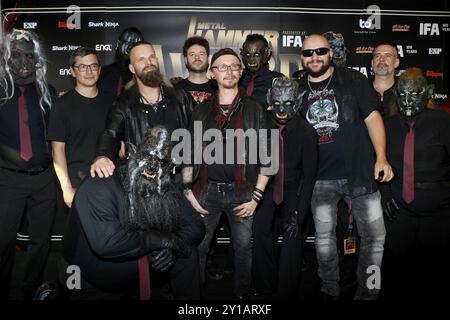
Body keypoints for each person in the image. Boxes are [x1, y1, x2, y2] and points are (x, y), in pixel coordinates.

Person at [297, 34, 393, 300]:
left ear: (330, 53)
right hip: (318, 180)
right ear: (302, 57)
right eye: (308, 53)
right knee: (324, 239)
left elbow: (373, 118)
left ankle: (369, 291)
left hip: (359, 173)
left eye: (320, 51)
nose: (314, 57)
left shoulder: (353, 80)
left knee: (375, 238)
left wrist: (381, 157)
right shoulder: (296, 87)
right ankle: (330, 288)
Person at [59, 126, 204, 299]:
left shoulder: (163, 184)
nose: (152, 167)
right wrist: (163, 241)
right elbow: (108, 243)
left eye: (161, 162)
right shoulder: (99, 186)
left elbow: (196, 224)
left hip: (132, 268)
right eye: (147, 156)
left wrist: (173, 247)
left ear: (169, 167)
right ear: (133, 153)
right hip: (85, 276)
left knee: (186, 253)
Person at [182, 48, 273, 299]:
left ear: (241, 72)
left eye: (234, 66)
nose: (229, 71)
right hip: (206, 191)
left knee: (243, 249)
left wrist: (256, 197)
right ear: (212, 73)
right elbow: (188, 153)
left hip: (243, 193)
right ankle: (194, 297)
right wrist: (188, 191)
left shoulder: (256, 108)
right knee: (198, 247)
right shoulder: (201, 111)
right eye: (222, 66)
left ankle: (242, 296)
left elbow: (270, 156)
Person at [380, 68, 450, 300]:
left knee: (433, 271)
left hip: (438, 211)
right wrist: (386, 194)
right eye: (402, 95)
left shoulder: (443, 122)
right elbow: (378, 164)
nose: (407, 101)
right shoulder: (387, 126)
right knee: (398, 271)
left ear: (428, 92)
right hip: (400, 210)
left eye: (414, 94)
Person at [0, 29, 57, 299]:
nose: (23, 61)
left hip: (44, 179)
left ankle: (31, 288)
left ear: (37, 58)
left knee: (41, 241)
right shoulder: (0, 90)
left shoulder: (48, 92)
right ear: (6, 57)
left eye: (28, 55)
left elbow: (58, 136)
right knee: (3, 241)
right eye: (16, 54)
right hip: (8, 179)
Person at [252, 77, 318, 299]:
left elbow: (309, 178)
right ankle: (264, 286)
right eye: (277, 103)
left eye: (288, 104)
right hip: (266, 187)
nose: (281, 109)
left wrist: (299, 214)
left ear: (298, 102)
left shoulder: (307, 132)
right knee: (260, 231)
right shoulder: (261, 126)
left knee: (293, 234)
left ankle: (286, 292)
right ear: (270, 100)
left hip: (293, 189)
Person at [90, 41, 194, 179]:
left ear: (157, 61)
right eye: (141, 59)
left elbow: (198, 132)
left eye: (151, 57)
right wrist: (102, 156)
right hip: (142, 185)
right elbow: (111, 133)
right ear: (132, 68)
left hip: (178, 181)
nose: (149, 62)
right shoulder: (124, 103)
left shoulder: (181, 97)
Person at [48, 47, 115, 208]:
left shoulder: (113, 101)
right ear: (72, 71)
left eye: (93, 66)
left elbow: (119, 142)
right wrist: (67, 188)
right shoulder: (61, 106)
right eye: (82, 67)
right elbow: (57, 151)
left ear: (99, 70)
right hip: (78, 183)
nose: (89, 71)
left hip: (110, 181)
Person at [98, 27, 144, 96]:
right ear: (118, 44)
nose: (130, 47)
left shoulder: (148, 77)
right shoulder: (103, 74)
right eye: (127, 42)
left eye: (135, 44)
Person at [239, 34, 283, 106]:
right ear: (242, 54)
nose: (251, 60)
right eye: (248, 55)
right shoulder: (237, 78)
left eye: (257, 55)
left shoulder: (277, 81)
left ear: (267, 54)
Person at [176, 36, 215, 104]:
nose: (197, 57)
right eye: (192, 54)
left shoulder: (218, 88)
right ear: (185, 60)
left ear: (208, 59)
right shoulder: (176, 89)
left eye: (201, 54)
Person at [371, 42, 400, 118]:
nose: (381, 59)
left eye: (387, 55)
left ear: (396, 63)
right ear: (372, 63)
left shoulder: (405, 91)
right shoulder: (361, 90)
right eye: (377, 55)